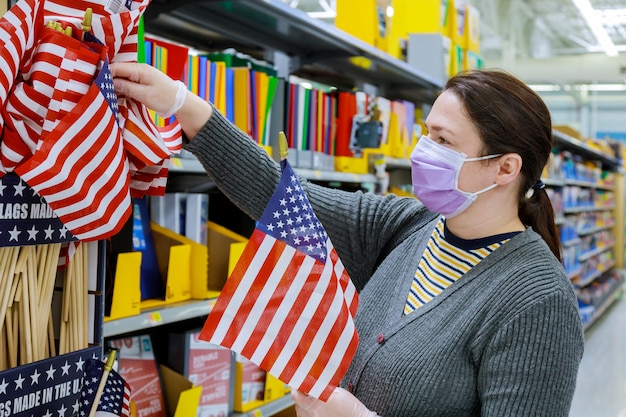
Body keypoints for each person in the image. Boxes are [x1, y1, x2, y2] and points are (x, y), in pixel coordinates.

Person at [110, 62, 584, 417]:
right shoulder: (410, 225)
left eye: (443, 141)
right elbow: (281, 197)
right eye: (426, 134)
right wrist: (182, 104)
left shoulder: (537, 302)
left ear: (505, 168)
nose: (423, 152)